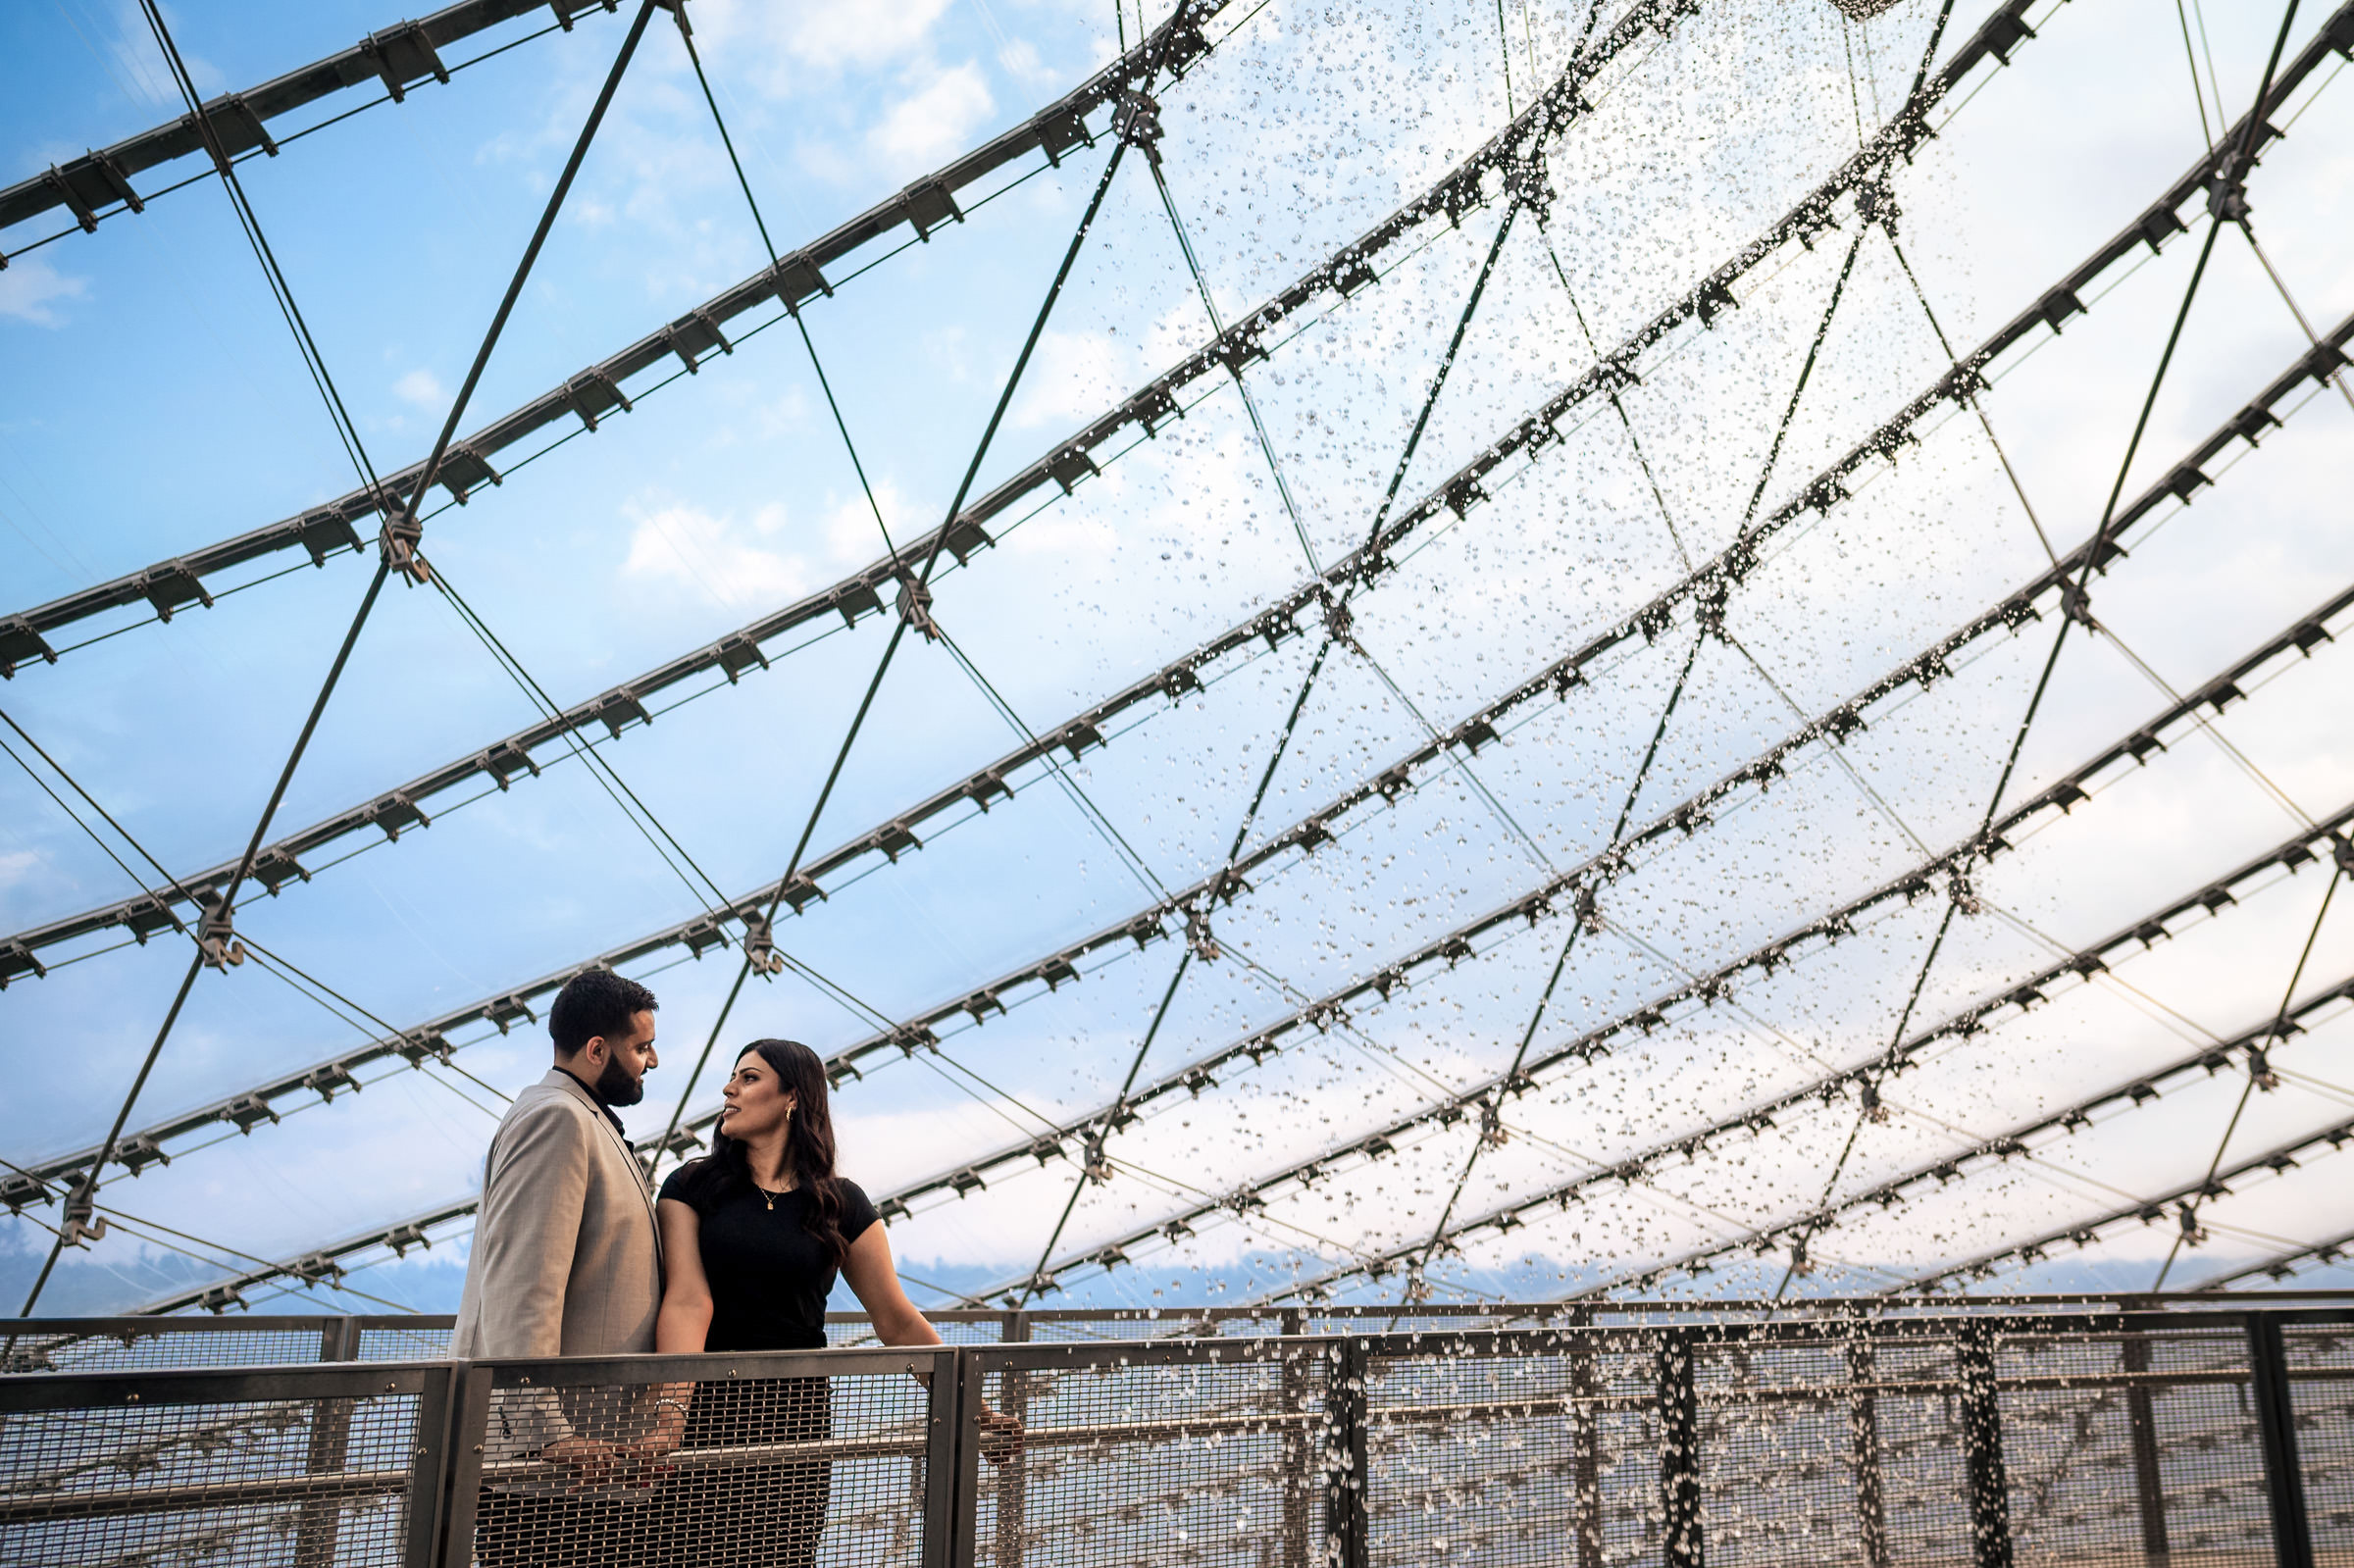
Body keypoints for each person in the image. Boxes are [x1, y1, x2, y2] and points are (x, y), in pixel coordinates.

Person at [648, 1038, 1015, 1568]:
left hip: (796, 1417)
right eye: (733, 1078)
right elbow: (687, 1301)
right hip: (706, 1411)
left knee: (786, 1556)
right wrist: (669, 1421)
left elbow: (896, 1320)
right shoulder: (691, 1185)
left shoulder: (840, 1202)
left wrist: (975, 1415)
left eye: (749, 1079)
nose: (729, 1089)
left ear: (792, 1097)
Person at [452, 967, 663, 1566]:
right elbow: (525, 1285)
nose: (653, 1060)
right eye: (641, 1046)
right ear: (598, 1050)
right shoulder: (559, 1119)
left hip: (582, 1458)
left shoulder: (580, 1117)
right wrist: (549, 1433)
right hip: (555, 1470)